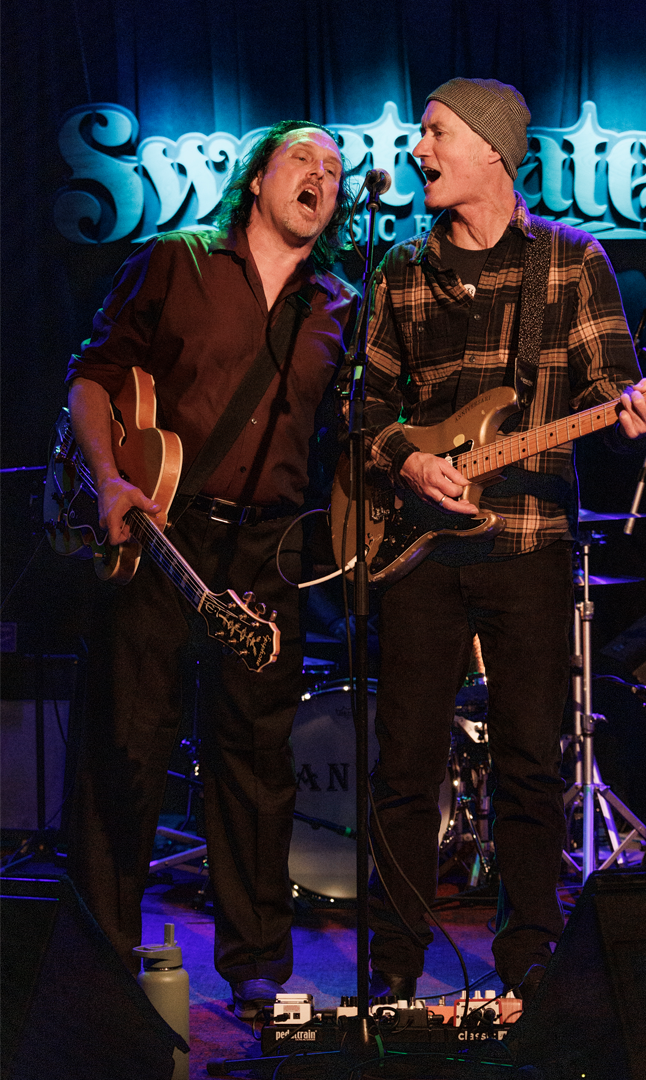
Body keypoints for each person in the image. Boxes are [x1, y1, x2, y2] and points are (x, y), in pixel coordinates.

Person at [349, 78, 646, 1006]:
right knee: (403, 767)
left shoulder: (569, 261)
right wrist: (411, 462)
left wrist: (638, 413)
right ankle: (394, 961)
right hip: (416, 553)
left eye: (435, 132)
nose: (418, 149)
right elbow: (363, 409)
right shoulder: (401, 268)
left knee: (531, 763)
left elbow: (612, 389)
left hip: (529, 545)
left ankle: (529, 955)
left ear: (492, 148)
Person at [66, 120, 356, 1019]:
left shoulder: (339, 305)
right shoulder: (176, 261)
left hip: (270, 549)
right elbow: (93, 377)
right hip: (163, 529)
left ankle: (256, 966)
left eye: (335, 169)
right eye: (303, 158)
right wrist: (109, 479)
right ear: (259, 178)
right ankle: (100, 956)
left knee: (258, 759)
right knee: (127, 741)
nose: (322, 175)